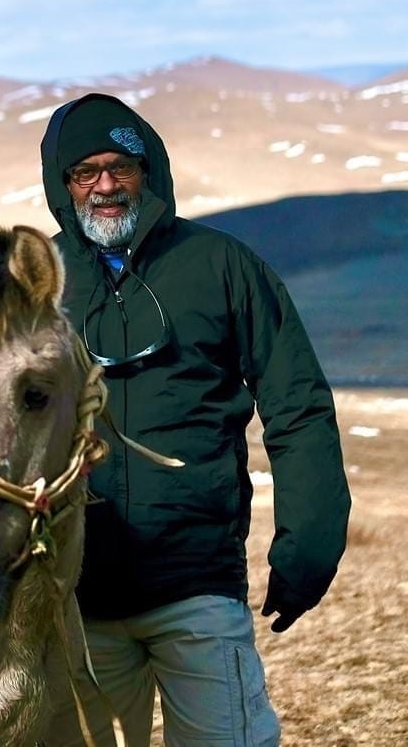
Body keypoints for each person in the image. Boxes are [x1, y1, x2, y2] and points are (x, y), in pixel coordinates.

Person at [39, 93, 350, 746]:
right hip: (72, 598)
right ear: (61, 183)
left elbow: (296, 409)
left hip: (196, 585)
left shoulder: (222, 266)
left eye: (119, 166)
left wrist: (308, 545)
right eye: (84, 171)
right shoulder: (37, 282)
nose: (104, 185)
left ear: (148, 170)